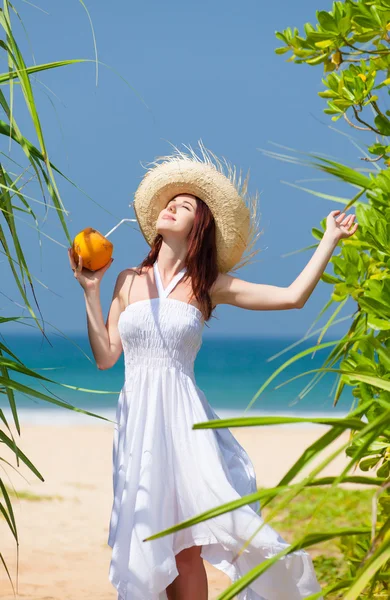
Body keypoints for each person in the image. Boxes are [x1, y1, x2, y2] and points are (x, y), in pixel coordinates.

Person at [68, 141, 357, 600]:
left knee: (185, 546)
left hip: (185, 423)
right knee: (148, 540)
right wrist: (90, 290)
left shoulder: (208, 286)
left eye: (183, 206)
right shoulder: (126, 280)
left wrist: (329, 239)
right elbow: (106, 357)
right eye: (169, 202)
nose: (170, 207)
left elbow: (292, 297)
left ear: (197, 227)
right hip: (139, 424)